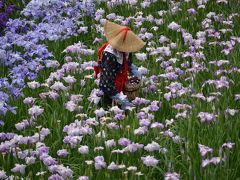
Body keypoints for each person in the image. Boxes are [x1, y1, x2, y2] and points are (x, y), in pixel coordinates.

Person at [94, 20, 145, 110]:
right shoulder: (109, 55)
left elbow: (127, 62)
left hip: (120, 81)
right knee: (111, 107)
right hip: (109, 87)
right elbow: (107, 82)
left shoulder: (126, 49)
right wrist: (121, 98)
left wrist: (134, 70)